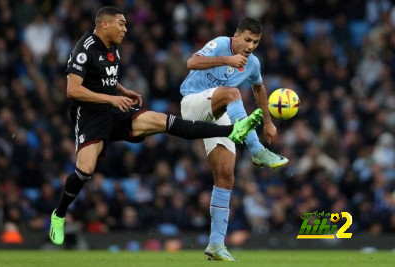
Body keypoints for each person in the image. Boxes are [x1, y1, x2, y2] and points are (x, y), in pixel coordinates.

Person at [49, 6, 263, 246]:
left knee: (164, 122)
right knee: (85, 170)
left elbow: (102, 77)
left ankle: (231, 131)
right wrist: (111, 98)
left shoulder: (112, 47)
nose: (125, 28)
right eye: (121, 23)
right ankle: (58, 214)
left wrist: (121, 91)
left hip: (116, 109)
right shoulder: (84, 49)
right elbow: (73, 89)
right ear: (104, 24)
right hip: (90, 116)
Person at [179, 17, 288, 261]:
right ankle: (257, 149)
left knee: (226, 174)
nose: (250, 46)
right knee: (232, 93)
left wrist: (269, 122)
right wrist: (227, 59)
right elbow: (191, 62)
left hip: (219, 113)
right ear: (236, 36)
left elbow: (259, 88)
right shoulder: (220, 44)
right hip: (192, 104)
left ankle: (216, 244)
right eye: (247, 40)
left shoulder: (253, 64)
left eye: (256, 42)